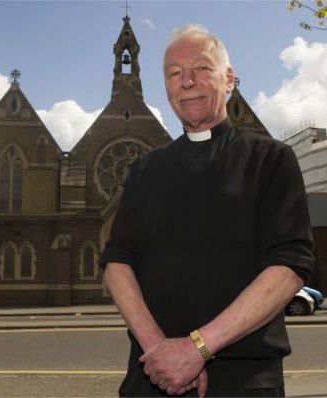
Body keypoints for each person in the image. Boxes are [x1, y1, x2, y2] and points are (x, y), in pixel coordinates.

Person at [99, 24, 314, 397]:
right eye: (174, 73)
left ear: (228, 79)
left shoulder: (271, 160)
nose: (186, 82)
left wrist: (197, 349)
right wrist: (160, 351)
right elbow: (118, 262)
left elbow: (289, 266)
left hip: (243, 382)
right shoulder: (145, 169)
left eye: (200, 68)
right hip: (151, 378)